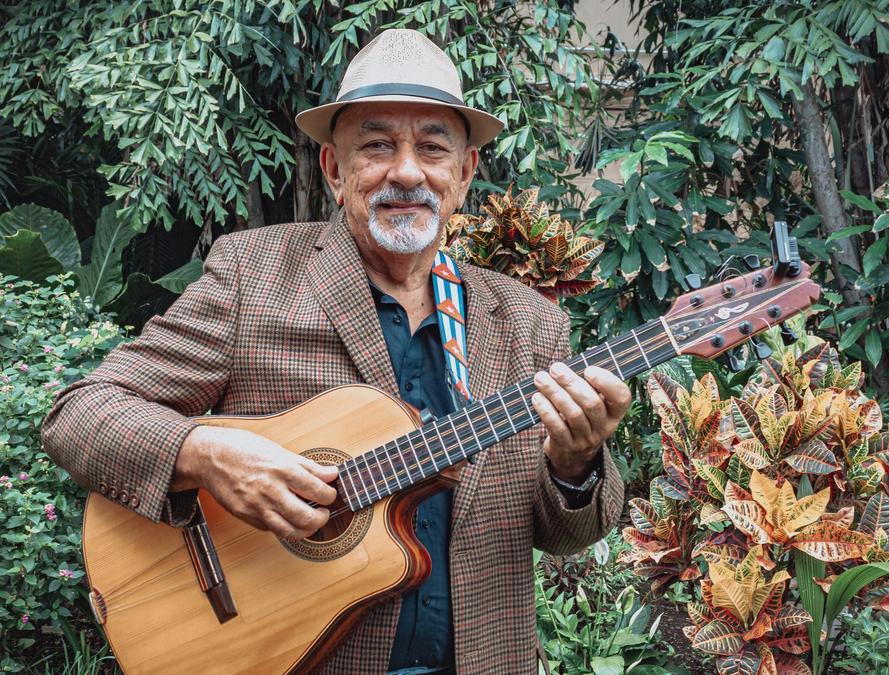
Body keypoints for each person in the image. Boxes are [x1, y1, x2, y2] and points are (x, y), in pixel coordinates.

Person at [42, 28, 629, 674]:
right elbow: (79, 413)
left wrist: (575, 466)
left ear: (463, 175)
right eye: (377, 144)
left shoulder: (527, 323)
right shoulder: (253, 277)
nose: (406, 170)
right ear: (334, 171)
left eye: (432, 147)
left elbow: (564, 532)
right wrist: (204, 456)